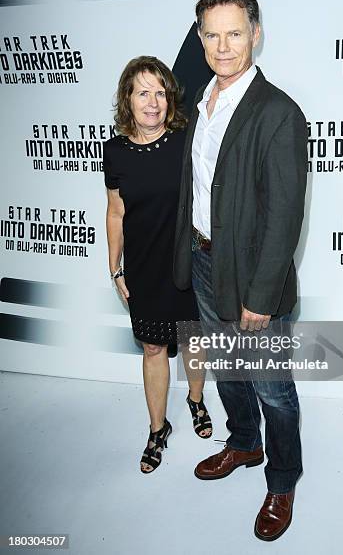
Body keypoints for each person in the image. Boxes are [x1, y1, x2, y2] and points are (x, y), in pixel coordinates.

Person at [173, 0, 308, 541]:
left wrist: (262, 294)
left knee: (273, 385)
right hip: (205, 262)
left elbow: (285, 216)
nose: (223, 46)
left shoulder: (278, 112)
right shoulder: (199, 101)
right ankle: (244, 443)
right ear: (200, 38)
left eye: (235, 33)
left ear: (256, 33)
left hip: (253, 275)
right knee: (228, 366)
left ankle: (281, 481)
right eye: (212, 34)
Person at [103, 56, 212, 474]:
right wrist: (116, 267)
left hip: (188, 262)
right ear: (127, 100)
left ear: (170, 100)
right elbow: (115, 212)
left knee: (192, 340)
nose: (152, 102)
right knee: (153, 348)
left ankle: (197, 401)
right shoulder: (114, 152)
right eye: (142, 93)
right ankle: (157, 428)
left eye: (160, 93)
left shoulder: (186, 140)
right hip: (144, 267)